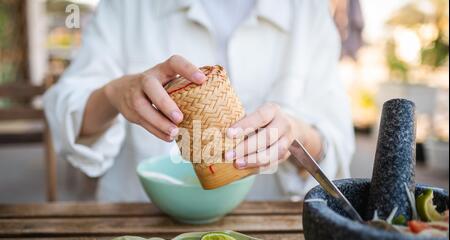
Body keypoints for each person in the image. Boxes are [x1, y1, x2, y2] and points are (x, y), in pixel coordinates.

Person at [44, 0, 355, 202]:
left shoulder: (308, 12)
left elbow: (335, 148)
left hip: (267, 235)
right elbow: (64, 110)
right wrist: (114, 94)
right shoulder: (126, 7)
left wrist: (295, 135)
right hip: (140, 229)